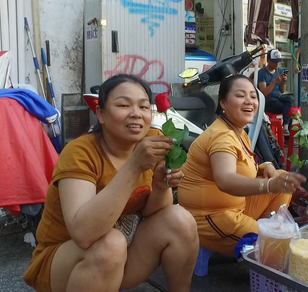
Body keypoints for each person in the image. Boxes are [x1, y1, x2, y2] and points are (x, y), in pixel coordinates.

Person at [23, 74, 199, 292]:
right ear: (101, 114)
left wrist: (161, 186)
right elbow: (84, 235)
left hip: (122, 251)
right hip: (65, 262)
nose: (135, 113)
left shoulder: (151, 140)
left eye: (144, 107)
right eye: (124, 105)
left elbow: (156, 215)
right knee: (110, 244)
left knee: (180, 219)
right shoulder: (80, 152)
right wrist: (134, 167)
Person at [178, 74, 306, 256]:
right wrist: (268, 185)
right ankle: (261, 241)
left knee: (280, 177)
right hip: (212, 216)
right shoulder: (221, 136)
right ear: (223, 103)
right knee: (281, 246)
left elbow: (241, 165)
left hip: (236, 205)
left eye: (253, 96)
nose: (249, 101)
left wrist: (266, 166)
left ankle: (262, 232)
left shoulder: (237, 130)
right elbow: (225, 179)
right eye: (240, 96)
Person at [258, 49, 295, 135]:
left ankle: (285, 127)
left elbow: (282, 91)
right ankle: (286, 132)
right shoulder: (262, 73)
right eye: (275, 62)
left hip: (278, 98)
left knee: (290, 100)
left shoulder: (280, 71)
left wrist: (283, 83)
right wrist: (274, 81)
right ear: (268, 61)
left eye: (278, 62)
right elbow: (264, 93)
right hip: (268, 101)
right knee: (288, 109)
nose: (277, 64)